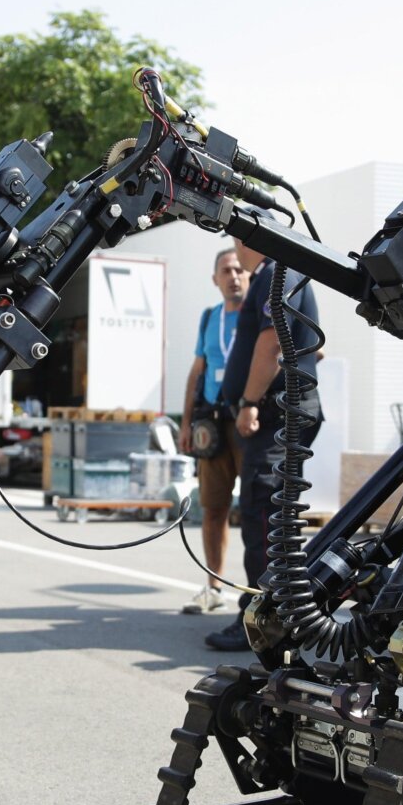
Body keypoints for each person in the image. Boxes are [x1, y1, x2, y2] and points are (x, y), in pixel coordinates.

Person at [207, 237, 322, 652]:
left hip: (275, 411)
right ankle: (279, 613)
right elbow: (312, 345)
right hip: (281, 410)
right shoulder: (274, 276)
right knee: (271, 514)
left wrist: (250, 401)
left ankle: (263, 619)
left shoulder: (276, 274)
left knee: (262, 512)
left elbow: (272, 343)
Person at [179, 249, 250, 615]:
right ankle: (213, 587)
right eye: (226, 270)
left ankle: (260, 593)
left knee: (256, 509)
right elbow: (196, 372)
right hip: (213, 424)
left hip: (249, 422)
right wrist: (186, 423)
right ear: (215, 279)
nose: (234, 276)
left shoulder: (260, 314)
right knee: (213, 509)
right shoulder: (209, 318)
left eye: (239, 269)